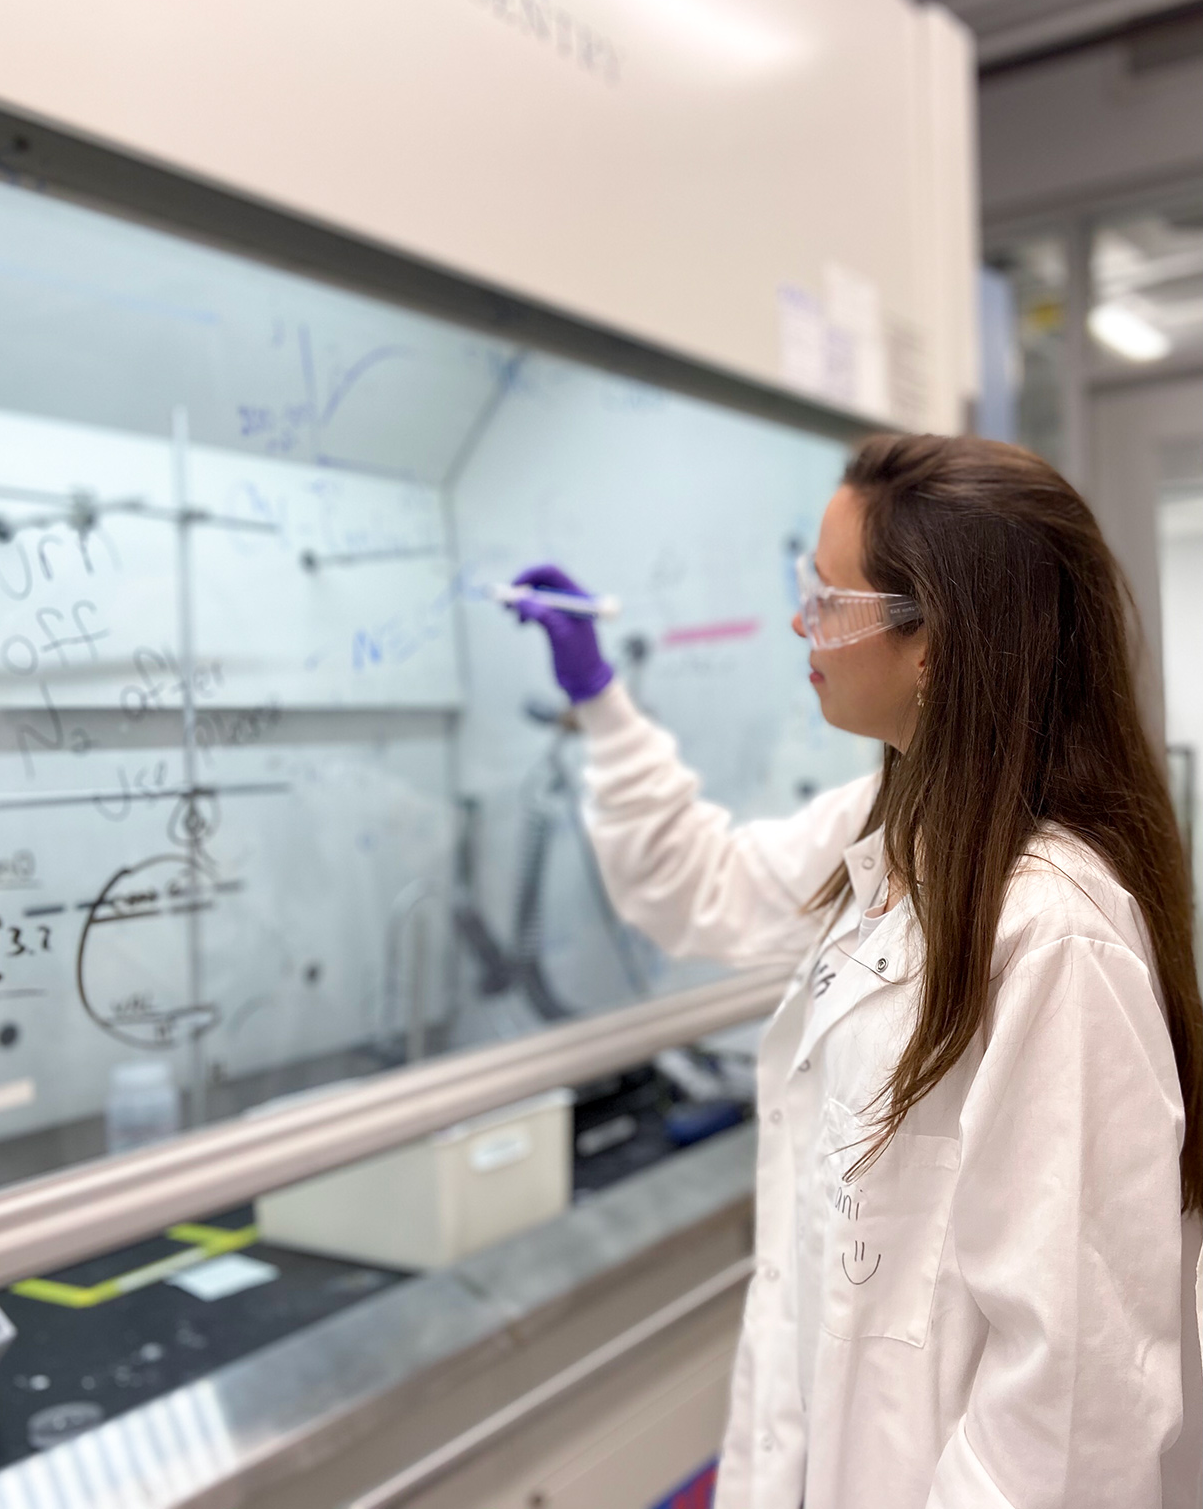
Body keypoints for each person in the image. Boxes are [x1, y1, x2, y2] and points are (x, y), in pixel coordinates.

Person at [510, 433, 1203, 1509]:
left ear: (936, 643)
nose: (804, 623)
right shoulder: (898, 823)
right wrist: (602, 701)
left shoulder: (1052, 937)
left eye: (829, 598)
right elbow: (707, 883)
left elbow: (1071, 1418)